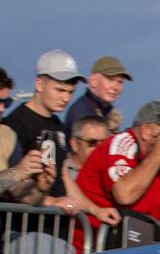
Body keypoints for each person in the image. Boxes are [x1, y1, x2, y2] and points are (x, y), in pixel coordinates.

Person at [3, 50, 118, 243]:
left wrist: (96, 210)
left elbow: (63, 177)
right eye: (60, 90)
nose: (66, 98)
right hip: (25, 232)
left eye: (70, 92)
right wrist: (53, 202)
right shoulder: (15, 123)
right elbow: (11, 186)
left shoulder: (57, 125)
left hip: (57, 229)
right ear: (39, 84)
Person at [76, 101, 160, 241]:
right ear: (145, 130)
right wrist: (159, 152)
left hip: (142, 244)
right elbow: (124, 195)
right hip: (95, 245)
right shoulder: (123, 143)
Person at [63, 56, 131, 134]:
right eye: (110, 79)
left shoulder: (105, 112)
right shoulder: (83, 112)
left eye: (120, 82)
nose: (116, 87)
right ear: (93, 81)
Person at [65, 114, 110, 184]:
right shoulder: (60, 173)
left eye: (104, 143)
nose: (99, 148)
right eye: (92, 142)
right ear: (75, 144)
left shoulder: (112, 174)